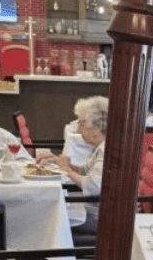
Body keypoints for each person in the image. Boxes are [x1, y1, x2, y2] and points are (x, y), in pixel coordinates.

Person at [39, 96, 105, 244]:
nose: (77, 128)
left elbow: (93, 187)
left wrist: (67, 170)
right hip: (90, 209)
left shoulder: (105, 150)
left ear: (98, 126)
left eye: (81, 123)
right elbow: (87, 172)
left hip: (100, 218)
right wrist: (62, 163)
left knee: (44, 222)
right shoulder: (99, 148)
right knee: (44, 217)